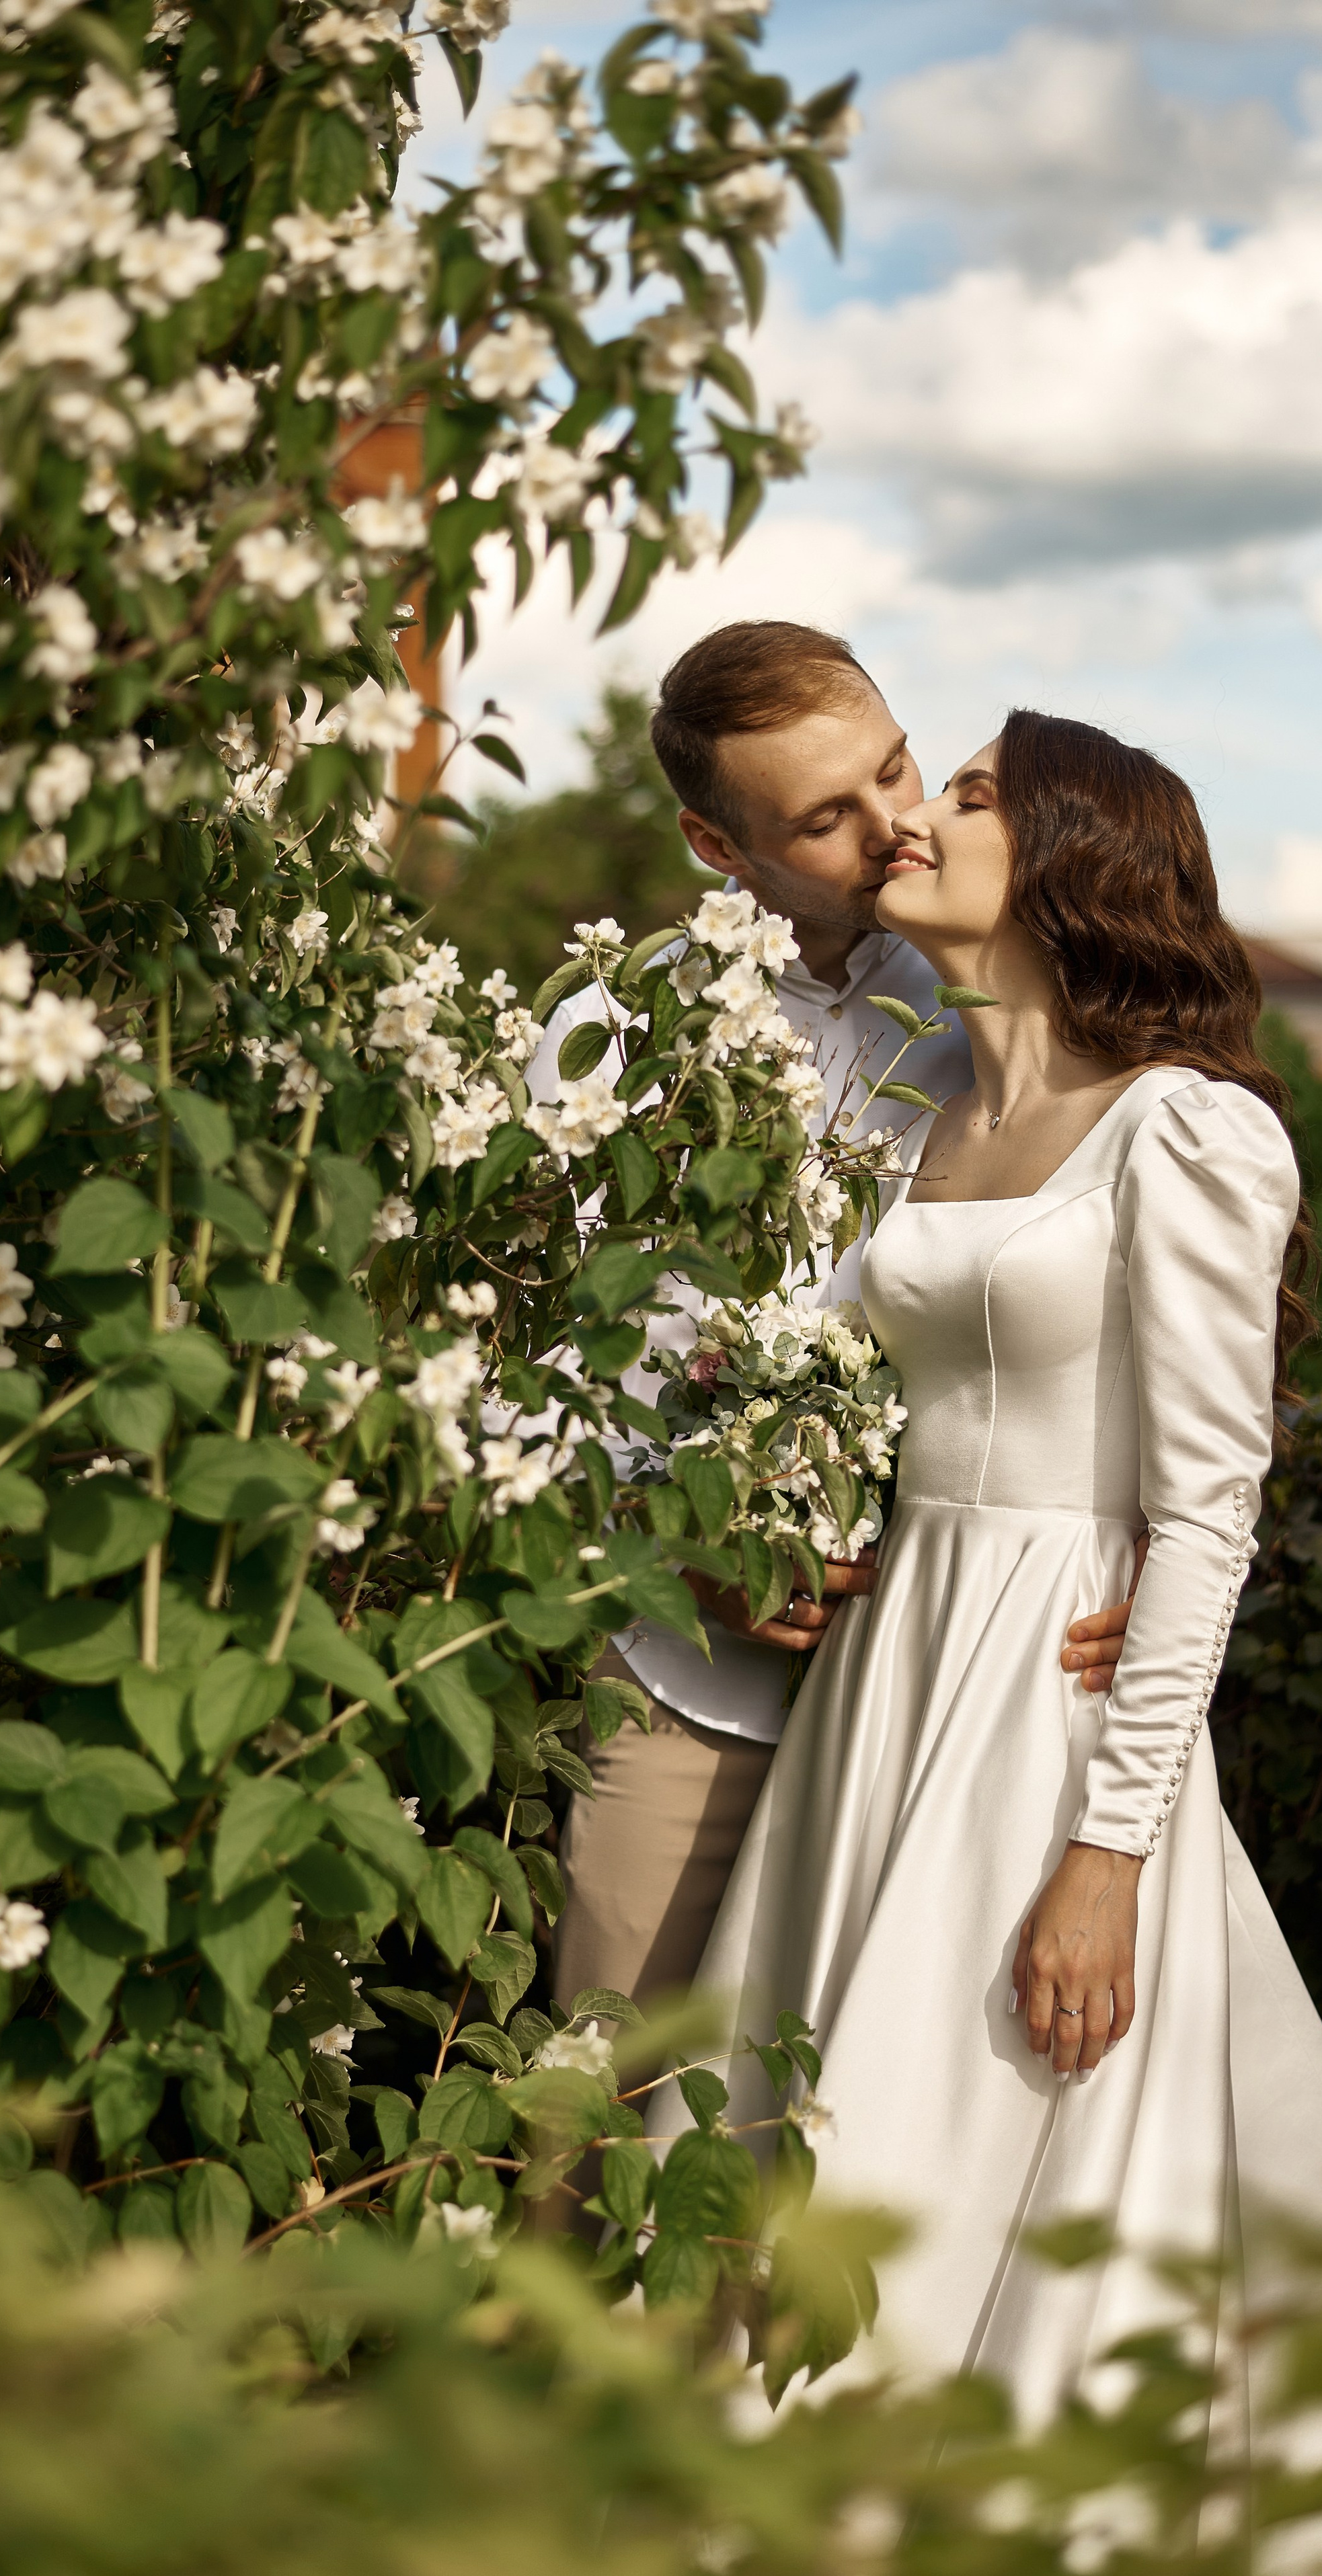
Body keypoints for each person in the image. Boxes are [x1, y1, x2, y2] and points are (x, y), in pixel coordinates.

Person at [671, 710, 1322, 2568]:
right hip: (885, 1676)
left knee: (969, 2137)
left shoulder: (1193, 1125)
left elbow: (1210, 1509)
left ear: (1075, 849)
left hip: (1048, 1711)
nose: (921, 813)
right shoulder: (922, 1111)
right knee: (806, 2135)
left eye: (976, 790)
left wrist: (1107, 1849)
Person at [536, 625, 1141, 2021]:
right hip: (694, 1693)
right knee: (605, 2116)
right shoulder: (607, 1042)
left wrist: (1147, 1530)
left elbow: (1125, 1276)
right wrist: (671, 1553)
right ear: (713, 842)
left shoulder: (989, 1000)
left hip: (952, 1683)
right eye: (823, 817)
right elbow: (528, 1375)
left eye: (895, 770)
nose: (890, 832)